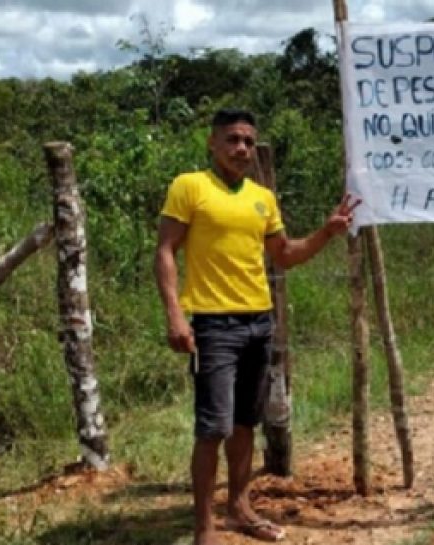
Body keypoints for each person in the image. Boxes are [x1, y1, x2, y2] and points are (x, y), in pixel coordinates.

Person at [154, 109, 360, 545]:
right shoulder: (190, 187)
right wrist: (175, 314)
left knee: (247, 422)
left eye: (248, 141)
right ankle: (204, 527)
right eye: (232, 140)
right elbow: (166, 251)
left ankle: (239, 507)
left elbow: (284, 254)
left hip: (259, 323)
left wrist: (327, 231)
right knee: (212, 428)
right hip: (213, 326)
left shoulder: (262, 198)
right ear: (212, 143)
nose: (242, 149)